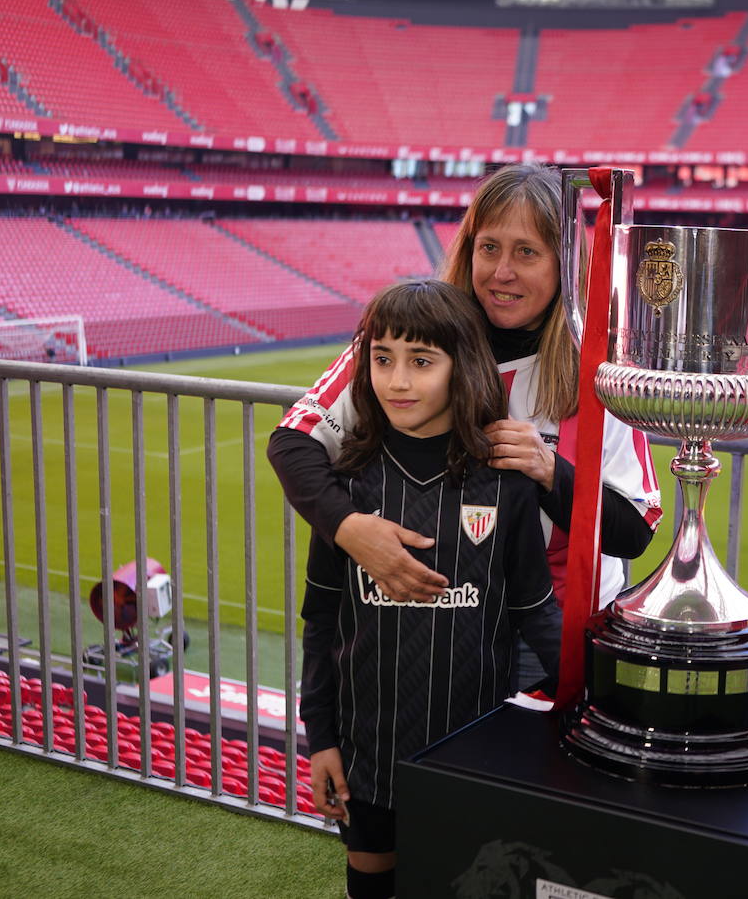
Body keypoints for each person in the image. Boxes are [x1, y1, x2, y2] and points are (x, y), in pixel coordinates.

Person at [269, 162, 662, 651]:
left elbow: (634, 534)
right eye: (489, 247)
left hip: (551, 633)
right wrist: (350, 530)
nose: (503, 272)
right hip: (435, 621)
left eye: (527, 252)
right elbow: (294, 442)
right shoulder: (416, 334)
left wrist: (549, 472)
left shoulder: (599, 366)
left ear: (564, 261)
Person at [298, 279, 562, 899]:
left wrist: (598, 710)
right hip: (368, 754)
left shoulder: (506, 486)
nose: (397, 381)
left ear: (461, 366)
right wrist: (322, 740)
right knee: (372, 883)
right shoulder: (347, 490)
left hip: (471, 758)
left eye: (420, 361)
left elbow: (536, 613)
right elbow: (321, 620)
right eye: (382, 358)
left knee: (460, 883)